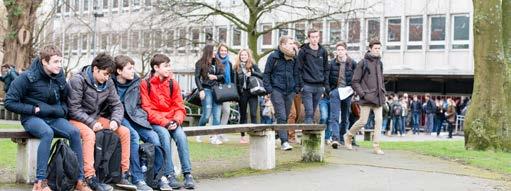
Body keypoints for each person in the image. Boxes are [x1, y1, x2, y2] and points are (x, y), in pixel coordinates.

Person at [4, 45, 92, 191]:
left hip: (54, 117)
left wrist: (61, 110)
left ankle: (79, 180)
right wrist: (33, 109)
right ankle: (40, 182)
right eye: (56, 62)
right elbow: (9, 102)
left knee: (75, 132)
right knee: (47, 133)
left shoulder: (60, 76)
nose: (59, 65)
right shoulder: (27, 77)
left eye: (60, 61)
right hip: (32, 118)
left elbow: (65, 100)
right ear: (45, 62)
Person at [67, 53, 132, 191]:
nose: (107, 77)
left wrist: (115, 120)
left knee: (125, 132)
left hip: (95, 118)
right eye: (105, 74)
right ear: (95, 69)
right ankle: (89, 177)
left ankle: (123, 174)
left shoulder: (108, 82)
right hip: (75, 119)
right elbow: (73, 109)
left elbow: (117, 105)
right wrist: (91, 123)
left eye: (109, 75)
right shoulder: (78, 80)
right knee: (89, 135)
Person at [112, 55, 171, 191]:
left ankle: (158, 177)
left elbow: (140, 104)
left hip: (135, 116)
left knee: (153, 136)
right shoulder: (111, 83)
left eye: (133, 68)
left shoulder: (136, 82)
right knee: (133, 136)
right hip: (119, 117)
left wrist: (141, 116)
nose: (133, 71)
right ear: (119, 71)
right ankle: (137, 178)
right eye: (129, 68)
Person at [140, 54, 195, 190]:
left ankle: (187, 173)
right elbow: (147, 110)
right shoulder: (145, 84)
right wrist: (164, 122)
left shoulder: (172, 83)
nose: (169, 68)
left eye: (169, 65)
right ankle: (169, 174)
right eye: (166, 66)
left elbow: (180, 107)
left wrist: (176, 121)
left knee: (181, 136)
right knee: (164, 135)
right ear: (156, 68)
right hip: (156, 122)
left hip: (172, 120)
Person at [343, 40, 385, 155]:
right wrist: (363, 94)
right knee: (363, 121)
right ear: (370, 48)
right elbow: (355, 81)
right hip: (366, 97)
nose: (378, 50)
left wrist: (383, 92)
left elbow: (381, 80)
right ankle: (348, 136)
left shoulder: (380, 63)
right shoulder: (363, 63)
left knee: (379, 121)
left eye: (379, 48)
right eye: (376, 48)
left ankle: (376, 146)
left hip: (378, 97)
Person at [263, 36, 299, 151]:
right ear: (282, 44)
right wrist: (269, 89)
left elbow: (297, 73)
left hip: (290, 91)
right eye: (289, 43)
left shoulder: (294, 57)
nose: (292, 45)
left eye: (293, 43)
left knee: (284, 116)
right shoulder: (274, 56)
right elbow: (266, 73)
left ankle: (275, 134)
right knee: (282, 116)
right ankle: (284, 142)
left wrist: (296, 88)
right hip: (277, 90)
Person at [327, 41, 357, 149]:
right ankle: (335, 139)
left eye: (342, 50)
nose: (340, 52)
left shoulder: (352, 63)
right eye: (338, 50)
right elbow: (327, 78)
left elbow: (357, 78)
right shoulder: (331, 63)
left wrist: (354, 90)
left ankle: (342, 137)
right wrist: (329, 90)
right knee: (334, 116)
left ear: (346, 51)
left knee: (345, 116)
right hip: (335, 91)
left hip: (348, 91)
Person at [297, 28, 329, 124]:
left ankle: (309, 134)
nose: (315, 39)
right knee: (309, 112)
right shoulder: (303, 51)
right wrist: (301, 85)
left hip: (319, 86)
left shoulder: (323, 51)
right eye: (312, 37)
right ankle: (307, 135)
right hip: (307, 85)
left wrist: (325, 85)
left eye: (316, 37)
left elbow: (326, 69)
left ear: (319, 37)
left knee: (313, 112)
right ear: (309, 38)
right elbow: (299, 69)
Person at [194, 45, 225, 144]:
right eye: (214, 51)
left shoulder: (218, 63)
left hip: (217, 91)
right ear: (208, 52)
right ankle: (199, 133)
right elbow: (197, 77)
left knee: (216, 115)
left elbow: (223, 77)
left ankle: (215, 137)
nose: (216, 52)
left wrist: (216, 77)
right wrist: (201, 90)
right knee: (206, 115)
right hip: (206, 89)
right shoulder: (199, 63)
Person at [234, 49, 262, 144]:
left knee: (253, 113)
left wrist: (252, 73)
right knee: (243, 115)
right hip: (242, 93)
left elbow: (262, 75)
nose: (243, 57)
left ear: (248, 56)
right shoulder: (236, 67)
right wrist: (236, 95)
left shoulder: (253, 66)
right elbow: (235, 82)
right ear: (239, 56)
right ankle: (242, 136)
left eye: (245, 55)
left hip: (252, 92)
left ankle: (254, 134)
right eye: (242, 55)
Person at [217, 43, 235, 143]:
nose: (223, 52)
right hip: (216, 89)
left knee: (227, 111)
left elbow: (232, 77)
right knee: (216, 112)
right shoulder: (215, 62)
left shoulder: (229, 63)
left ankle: (222, 133)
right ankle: (214, 134)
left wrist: (232, 91)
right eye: (222, 50)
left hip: (226, 90)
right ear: (219, 51)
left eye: (225, 51)